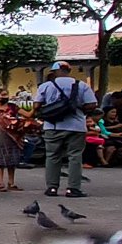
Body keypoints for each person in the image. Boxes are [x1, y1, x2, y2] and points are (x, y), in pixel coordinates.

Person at [33, 61, 97, 198]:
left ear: (55, 72)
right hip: (77, 126)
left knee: (52, 156)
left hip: (53, 125)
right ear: (68, 71)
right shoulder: (82, 85)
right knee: (75, 157)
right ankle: (73, 189)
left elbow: (37, 105)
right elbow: (92, 104)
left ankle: (52, 188)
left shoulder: (46, 86)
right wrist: (78, 109)